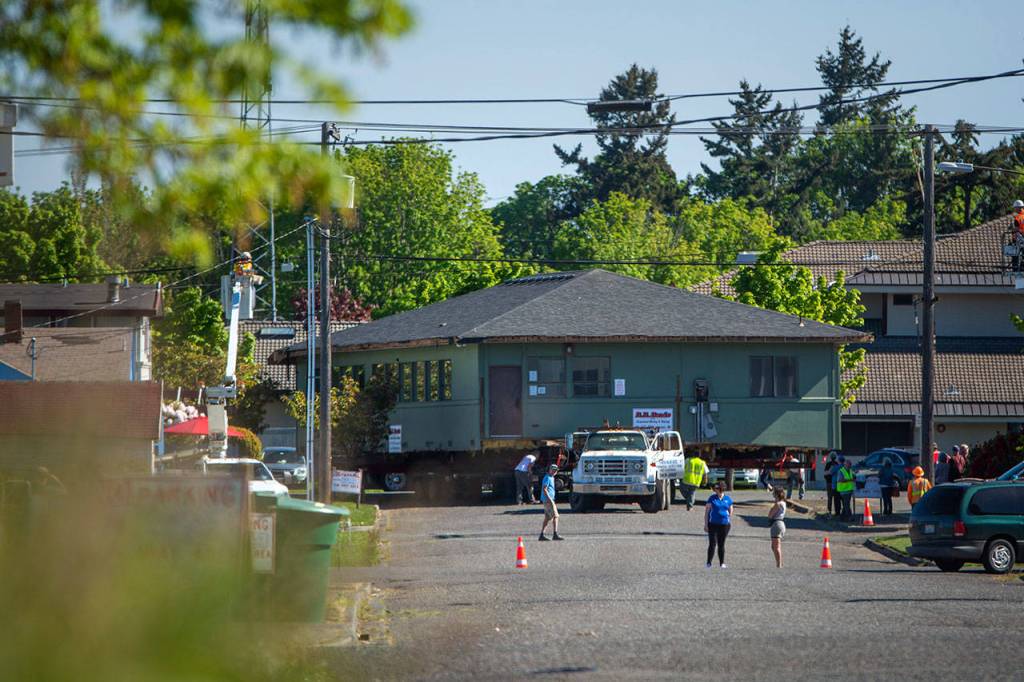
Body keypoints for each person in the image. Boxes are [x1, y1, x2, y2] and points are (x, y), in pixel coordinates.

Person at [704, 481, 733, 568]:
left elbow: (731, 509)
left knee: (721, 544)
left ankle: (722, 563)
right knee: (712, 543)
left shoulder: (728, 499)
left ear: (721, 489)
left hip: (724, 525)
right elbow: (707, 512)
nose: (714, 489)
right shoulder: (712, 498)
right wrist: (706, 524)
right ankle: (708, 563)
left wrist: (728, 516)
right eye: (714, 488)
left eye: (716, 488)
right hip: (713, 524)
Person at [539, 464, 563, 541]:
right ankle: (555, 534)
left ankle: (542, 535)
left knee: (547, 517)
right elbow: (545, 489)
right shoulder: (547, 478)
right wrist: (550, 500)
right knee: (556, 516)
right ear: (549, 469)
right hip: (548, 500)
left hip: (548, 500)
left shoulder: (551, 478)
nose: (554, 472)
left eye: (555, 470)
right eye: (553, 470)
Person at [768, 487, 787, 568]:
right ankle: (778, 563)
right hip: (781, 523)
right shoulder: (783, 503)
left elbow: (770, 515)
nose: (773, 494)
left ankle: (779, 564)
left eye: (774, 493)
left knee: (776, 546)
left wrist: (772, 508)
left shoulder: (778, 504)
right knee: (774, 546)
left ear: (777, 494)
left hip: (776, 524)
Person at [836, 456, 855, 521]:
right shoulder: (841, 471)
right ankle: (849, 517)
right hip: (843, 490)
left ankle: (842, 517)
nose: (850, 465)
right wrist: (850, 480)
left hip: (849, 490)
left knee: (845, 504)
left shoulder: (850, 470)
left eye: (850, 464)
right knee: (846, 504)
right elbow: (840, 480)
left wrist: (854, 477)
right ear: (845, 464)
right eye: (849, 464)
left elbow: (854, 476)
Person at [823, 452, 839, 516]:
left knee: (829, 498)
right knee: (836, 497)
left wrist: (827, 479)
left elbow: (825, 474)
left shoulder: (828, 464)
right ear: (835, 458)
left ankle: (829, 511)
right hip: (835, 483)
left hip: (829, 483)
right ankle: (836, 511)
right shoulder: (837, 464)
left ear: (830, 457)